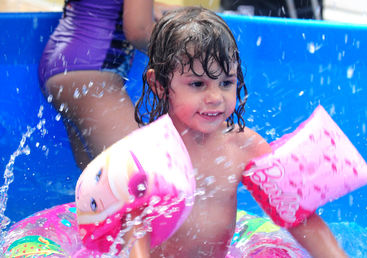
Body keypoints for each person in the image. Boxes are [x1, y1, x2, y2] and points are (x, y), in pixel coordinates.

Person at [132, 6, 347, 257]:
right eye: (197, 84)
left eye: (226, 83)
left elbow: (297, 214)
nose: (215, 97)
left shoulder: (243, 146)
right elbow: (135, 230)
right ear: (159, 85)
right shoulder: (147, 153)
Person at [38, 0, 176, 170]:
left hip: (68, 65)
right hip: (90, 73)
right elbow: (139, 31)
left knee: (100, 188)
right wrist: (189, 48)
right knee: (146, 176)